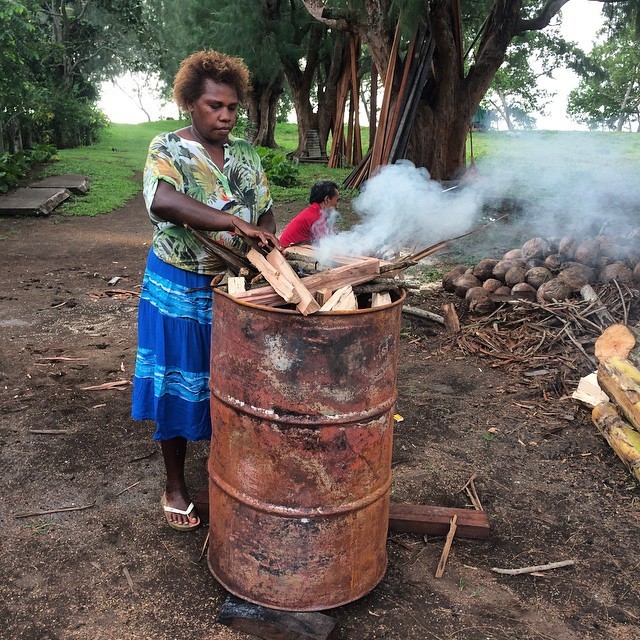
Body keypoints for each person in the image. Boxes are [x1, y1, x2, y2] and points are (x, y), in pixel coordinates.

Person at [131, 50, 281, 531]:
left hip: (233, 287)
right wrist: (230, 221)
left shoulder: (246, 155)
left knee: (234, 381)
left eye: (232, 107)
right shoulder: (167, 149)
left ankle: (230, 466)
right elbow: (163, 200)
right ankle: (175, 484)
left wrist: (268, 246)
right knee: (177, 380)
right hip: (177, 284)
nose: (225, 116)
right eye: (214, 106)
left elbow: (265, 213)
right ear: (190, 104)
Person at [279, 180, 340, 248]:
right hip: (287, 251)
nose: (337, 206)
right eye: (337, 201)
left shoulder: (313, 211)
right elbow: (326, 244)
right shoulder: (317, 217)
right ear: (327, 199)